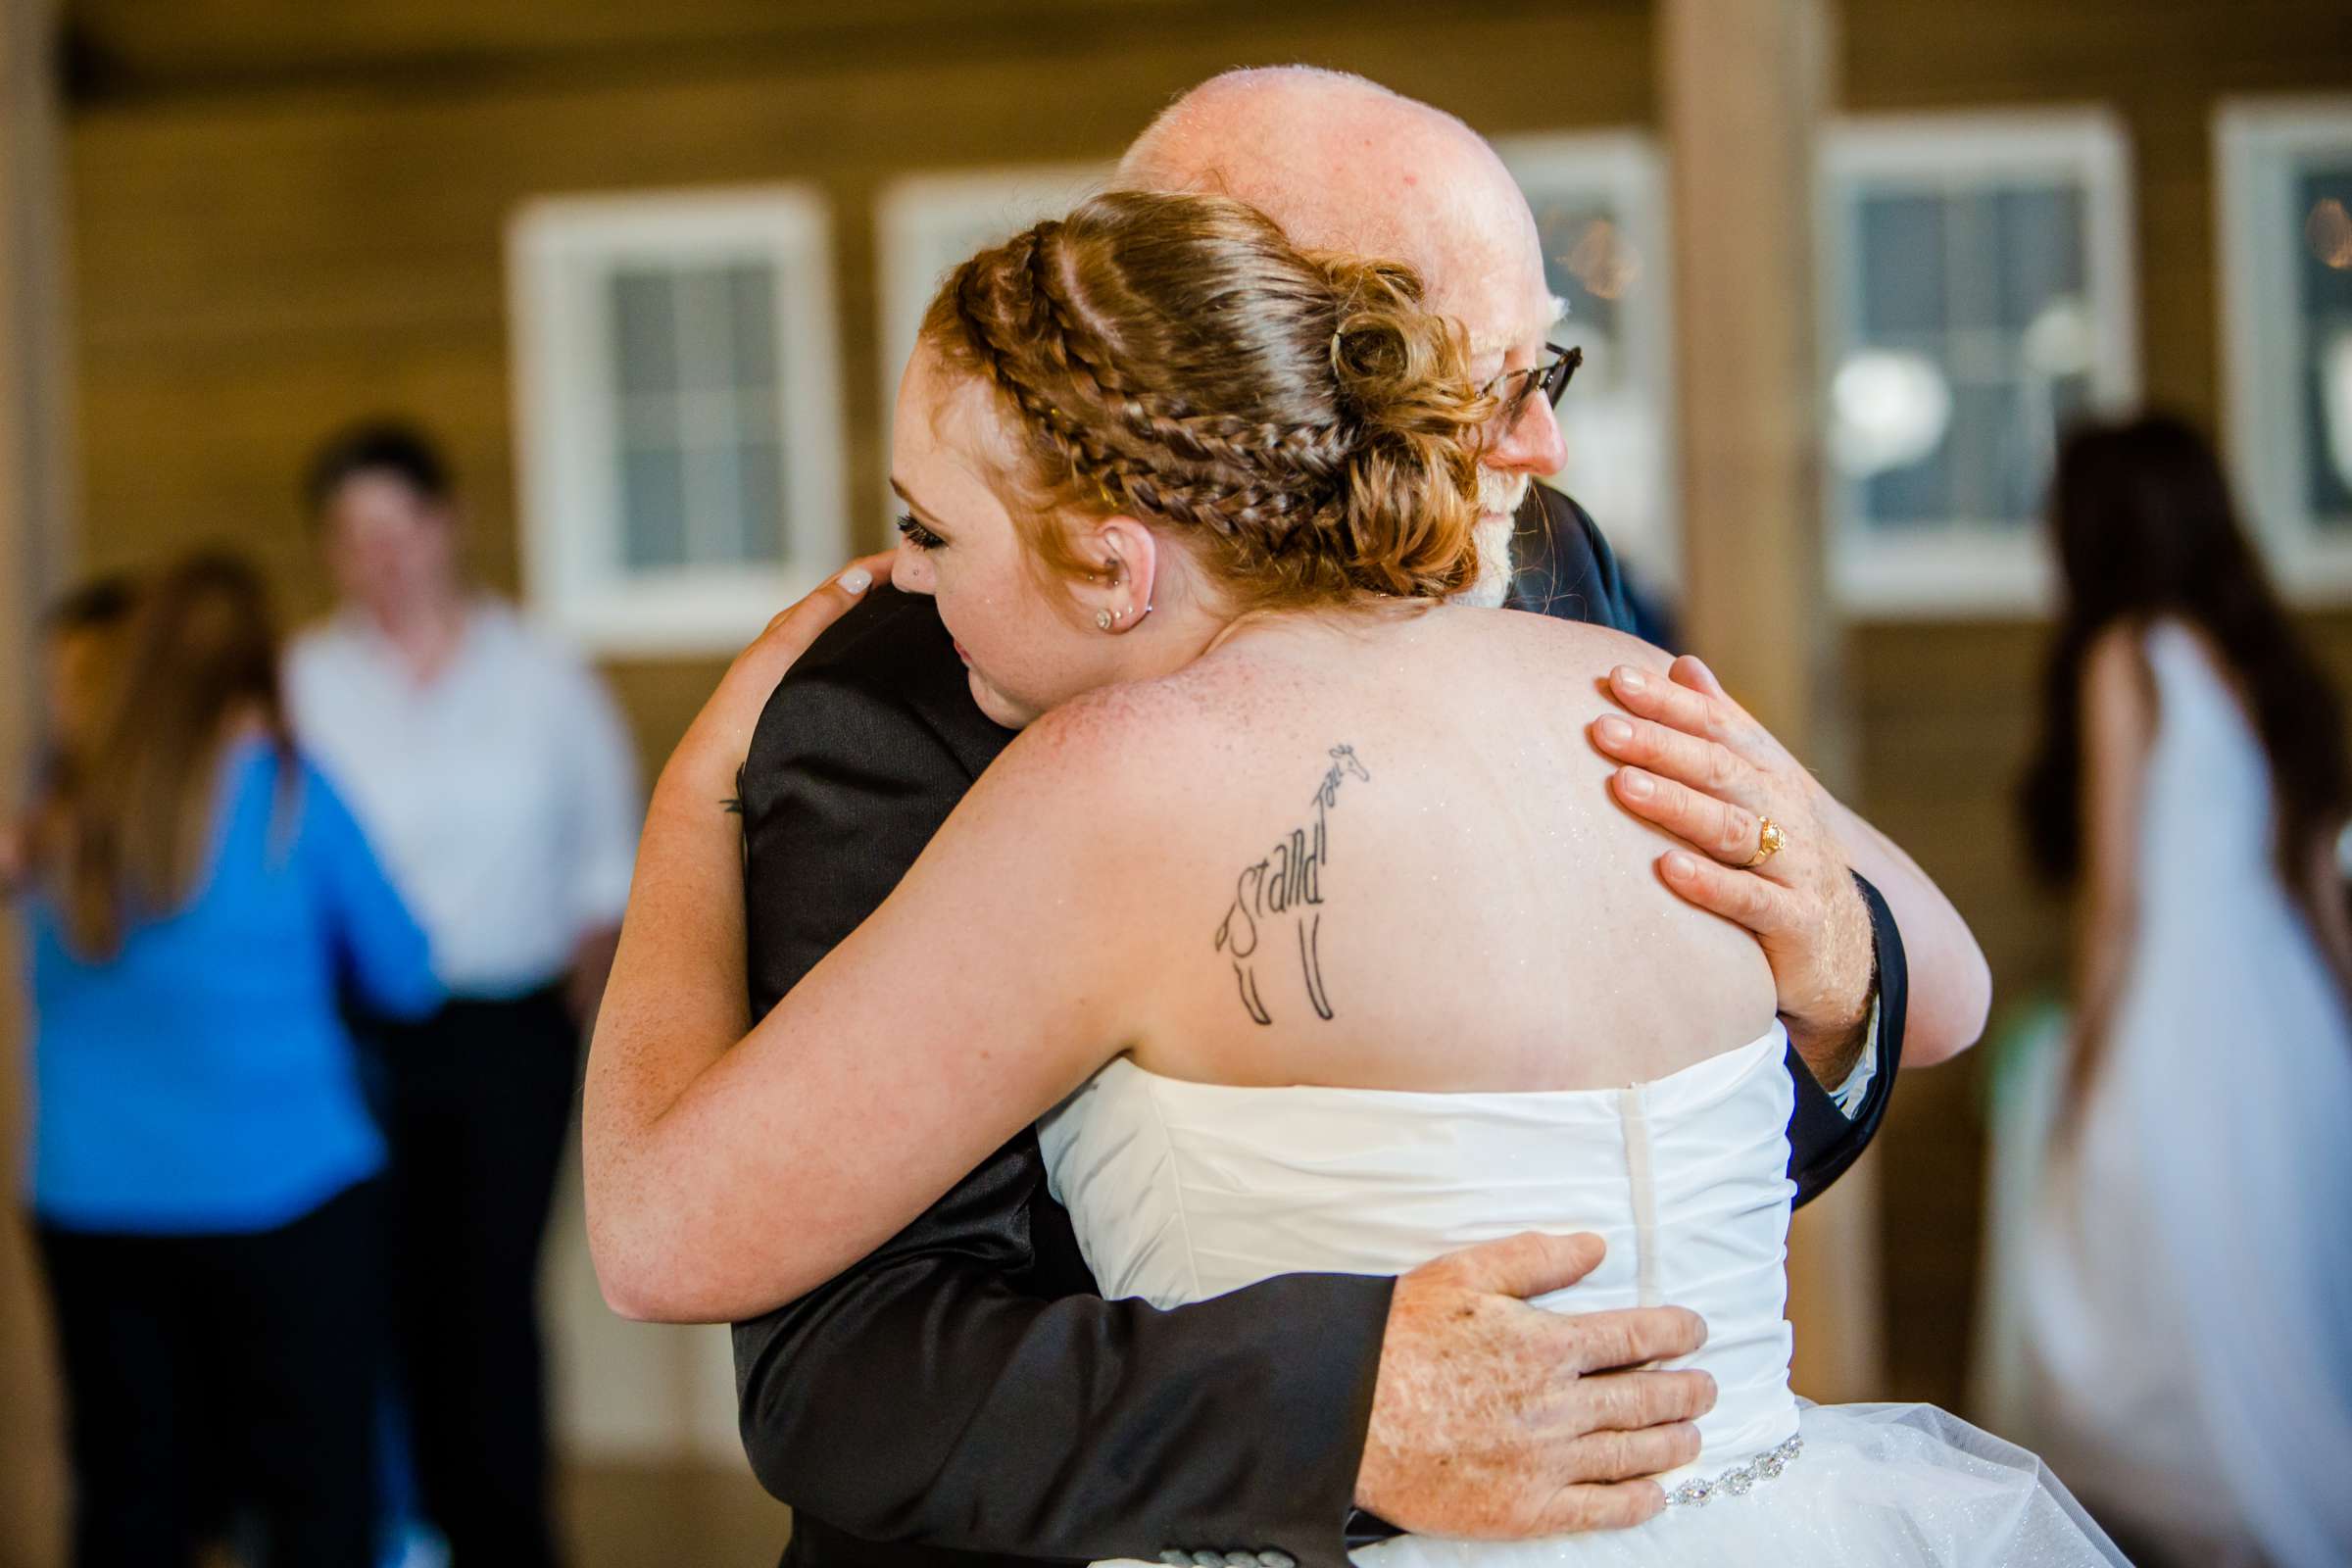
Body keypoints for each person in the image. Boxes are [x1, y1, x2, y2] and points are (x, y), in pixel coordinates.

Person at [583, 189, 2106, 1567]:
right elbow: (1945, 982)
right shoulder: (1613, 677)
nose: (904, 580)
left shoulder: (1115, 777)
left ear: (1116, 567)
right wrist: (1819, 907)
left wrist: (689, 806)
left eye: (930, 529)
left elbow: (659, 1235)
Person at [18, 553, 441, 1567]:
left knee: (130, 1495)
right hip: (286, 1191)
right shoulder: (288, 792)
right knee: (315, 1496)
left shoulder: (62, 809)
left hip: (93, 1203)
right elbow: (409, 975)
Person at [1993, 415, 2352, 1567]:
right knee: (2276, 1296)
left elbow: (2119, 903)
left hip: (2183, 1015)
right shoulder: (2252, 658)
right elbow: (2314, 883)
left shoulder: (2125, 656)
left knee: (2142, 1271)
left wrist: (2089, 1065)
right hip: (2281, 1013)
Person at [284, 421, 641, 1568]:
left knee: (488, 1302)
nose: (381, 557)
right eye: (354, 537)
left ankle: (508, 1539)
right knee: (369, 1295)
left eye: (400, 527)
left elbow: (607, 864)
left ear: (448, 525)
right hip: (354, 1039)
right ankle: (398, 1534)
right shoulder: (303, 683)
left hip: (510, 1032)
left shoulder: (544, 675)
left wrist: (571, 1022)